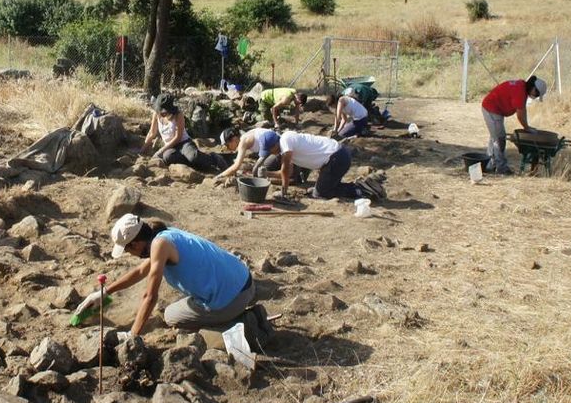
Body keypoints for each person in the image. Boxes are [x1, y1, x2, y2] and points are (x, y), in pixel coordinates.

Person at [73, 215, 271, 341]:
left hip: (231, 299)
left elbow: (150, 296)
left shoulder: (160, 246)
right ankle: (232, 313)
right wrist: (105, 291)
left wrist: (132, 335)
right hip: (244, 281)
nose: (129, 254)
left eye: (127, 250)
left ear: (135, 244)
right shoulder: (164, 234)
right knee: (183, 303)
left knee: (171, 315)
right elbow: (141, 272)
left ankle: (242, 324)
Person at [268, 130, 386, 201]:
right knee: (321, 188)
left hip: (336, 158)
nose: (270, 153)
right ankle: (357, 186)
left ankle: (361, 189)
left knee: (321, 194)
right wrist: (267, 174)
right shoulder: (287, 141)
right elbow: (289, 173)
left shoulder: (285, 143)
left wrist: (284, 193)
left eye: (269, 150)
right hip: (336, 156)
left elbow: (285, 170)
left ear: (274, 144)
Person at [481, 75, 547, 175]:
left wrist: (527, 126)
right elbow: (520, 115)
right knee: (499, 139)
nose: (536, 97)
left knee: (495, 137)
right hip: (491, 109)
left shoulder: (522, 87)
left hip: (495, 109)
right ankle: (501, 168)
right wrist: (527, 128)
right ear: (533, 88)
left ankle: (489, 165)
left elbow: (522, 110)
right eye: (537, 94)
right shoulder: (520, 91)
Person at [142, 99, 221, 172]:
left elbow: (178, 137)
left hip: (184, 143)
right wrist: (142, 150)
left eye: (164, 112)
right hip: (170, 146)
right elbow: (152, 133)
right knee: (167, 157)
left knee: (193, 157)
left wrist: (160, 151)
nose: (162, 113)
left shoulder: (178, 115)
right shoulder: (156, 114)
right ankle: (196, 165)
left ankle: (213, 158)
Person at [214, 126, 281, 180]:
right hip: (277, 144)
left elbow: (236, 166)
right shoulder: (245, 136)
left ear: (233, 139)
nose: (228, 149)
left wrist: (219, 176)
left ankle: (281, 177)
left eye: (227, 145)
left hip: (279, 150)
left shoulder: (243, 142)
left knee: (260, 170)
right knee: (254, 167)